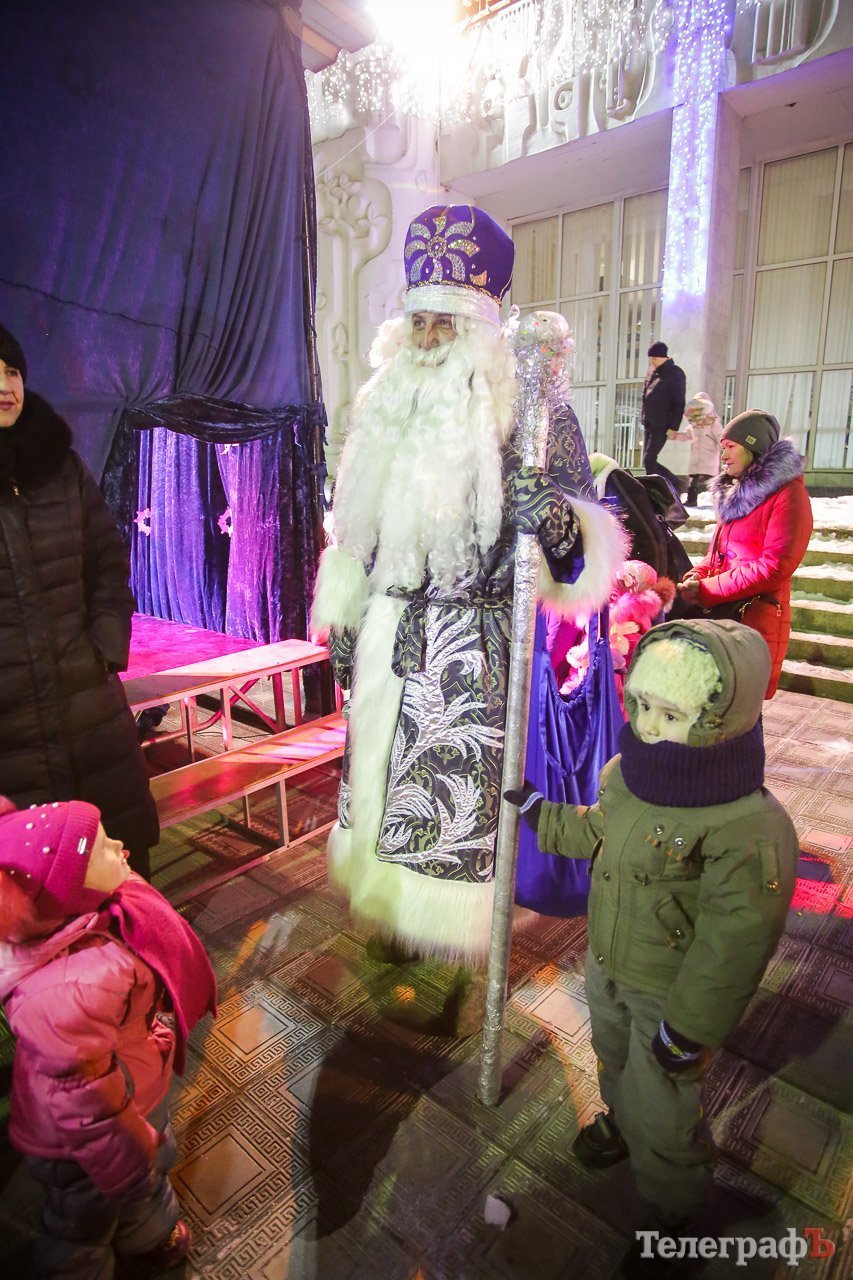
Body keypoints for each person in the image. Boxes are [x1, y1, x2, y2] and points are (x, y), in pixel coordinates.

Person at [310, 204, 624, 1030]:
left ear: (478, 328)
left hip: (469, 648)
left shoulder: (530, 411)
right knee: (377, 790)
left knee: (447, 807)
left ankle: (450, 952)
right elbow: (354, 531)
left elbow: (580, 553)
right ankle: (388, 918)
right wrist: (345, 620)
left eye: (442, 322)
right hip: (384, 635)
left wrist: (544, 512)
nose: (425, 336)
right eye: (416, 319)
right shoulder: (384, 401)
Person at [505, 619, 798, 1279]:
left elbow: (734, 945)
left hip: (669, 992)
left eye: (669, 714)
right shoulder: (628, 775)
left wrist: (689, 1027)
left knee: (663, 1101)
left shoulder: (747, 827)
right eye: (639, 705)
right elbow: (597, 831)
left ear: (718, 722)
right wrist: (541, 814)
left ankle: (674, 1211)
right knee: (612, 1054)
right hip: (610, 960)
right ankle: (620, 1119)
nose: (645, 725)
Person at [0, 794, 217, 1278]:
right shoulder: (65, 991)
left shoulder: (92, 918)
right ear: (65, 891)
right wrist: (129, 1160)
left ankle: (148, 1234)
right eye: (101, 847)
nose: (120, 846)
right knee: (83, 1221)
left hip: (132, 1089)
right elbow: (87, 1107)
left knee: (146, 1173)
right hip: (81, 1141)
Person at [0, 324, 157, 877]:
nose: (5, 386)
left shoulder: (60, 466)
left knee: (124, 866)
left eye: (11, 371)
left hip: (88, 704)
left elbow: (107, 559)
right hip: (11, 729)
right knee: (39, 885)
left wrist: (104, 647)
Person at [676, 408, 813, 698]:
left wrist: (708, 589)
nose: (723, 455)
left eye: (731, 447)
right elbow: (718, 556)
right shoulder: (736, 493)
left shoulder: (788, 495)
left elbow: (774, 566)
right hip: (723, 616)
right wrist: (696, 576)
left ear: (753, 448)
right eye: (723, 447)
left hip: (752, 619)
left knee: (742, 709)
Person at [640, 341, 686, 494]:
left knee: (649, 459)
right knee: (648, 460)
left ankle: (674, 484)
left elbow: (679, 402)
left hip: (662, 424)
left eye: (654, 358)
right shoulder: (651, 372)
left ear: (663, 357)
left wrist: (674, 427)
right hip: (649, 422)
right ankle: (655, 489)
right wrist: (643, 417)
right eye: (650, 359)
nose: (652, 362)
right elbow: (645, 396)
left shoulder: (675, 373)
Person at [683, 392, 723, 506]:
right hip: (696, 460)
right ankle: (691, 500)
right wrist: (673, 436)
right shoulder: (693, 426)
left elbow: (721, 438)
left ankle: (719, 501)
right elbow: (686, 436)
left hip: (709, 459)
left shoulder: (714, 424)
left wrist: (725, 450)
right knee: (693, 482)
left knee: (712, 482)